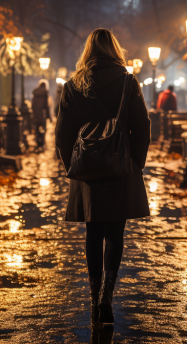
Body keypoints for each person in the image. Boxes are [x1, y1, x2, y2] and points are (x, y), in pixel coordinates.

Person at [55, 28, 150, 326]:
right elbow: (142, 127)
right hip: (121, 168)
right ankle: (108, 296)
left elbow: (62, 135)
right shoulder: (127, 82)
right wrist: (135, 163)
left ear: (88, 52)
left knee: (93, 234)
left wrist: (74, 165)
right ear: (114, 50)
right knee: (115, 234)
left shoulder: (73, 86)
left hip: (87, 173)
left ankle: (93, 295)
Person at [32, 80, 51, 150]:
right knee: (43, 129)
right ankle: (42, 143)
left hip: (36, 114)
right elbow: (46, 105)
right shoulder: (45, 92)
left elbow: (32, 105)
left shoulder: (35, 92)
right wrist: (49, 116)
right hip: (43, 114)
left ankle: (37, 142)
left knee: (37, 129)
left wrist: (33, 112)